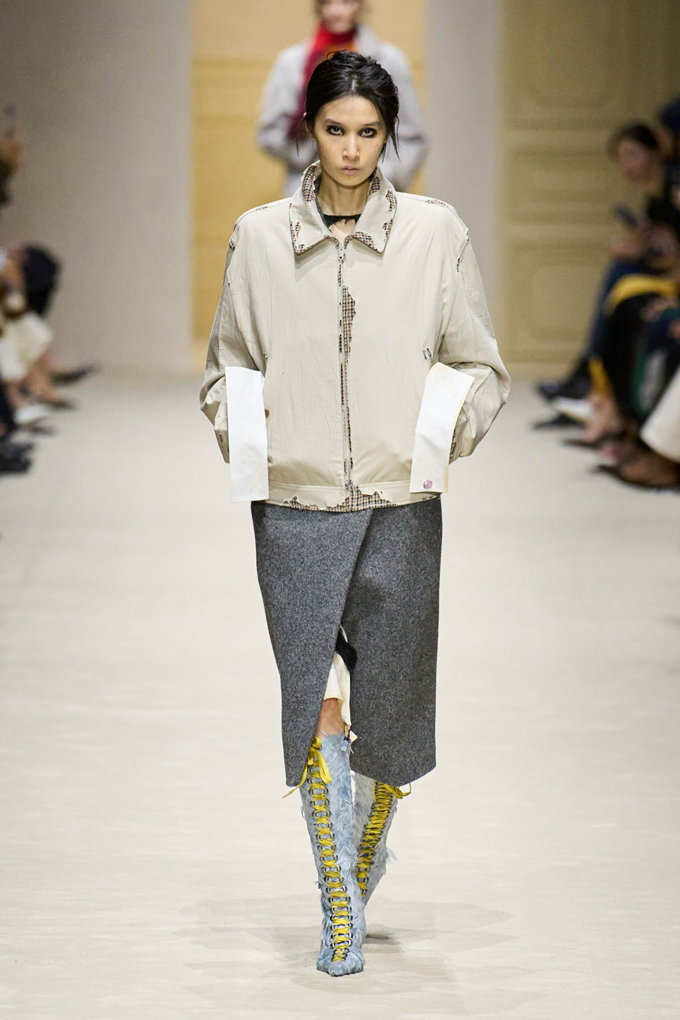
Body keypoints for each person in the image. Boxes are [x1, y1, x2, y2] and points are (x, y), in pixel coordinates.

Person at [202, 51, 509, 977]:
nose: (350, 149)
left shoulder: (434, 232)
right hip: (295, 508)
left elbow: (481, 366)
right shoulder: (259, 237)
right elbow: (225, 368)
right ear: (310, 129)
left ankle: (363, 848)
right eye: (335, 129)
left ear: (388, 136)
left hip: (399, 506)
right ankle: (338, 901)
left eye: (368, 132)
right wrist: (257, 446)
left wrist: (433, 444)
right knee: (314, 702)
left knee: (391, 713)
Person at [539, 123, 680, 409]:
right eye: (620, 158)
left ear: (655, 152)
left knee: (622, 283)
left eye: (632, 154)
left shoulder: (674, 187)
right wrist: (638, 248)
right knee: (621, 279)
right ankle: (596, 380)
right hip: (668, 273)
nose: (626, 165)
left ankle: (591, 375)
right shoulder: (655, 198)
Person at [257, 0, 427, 196]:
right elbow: (270, 134)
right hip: (309, 190)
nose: (337, 10)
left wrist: (385, 174)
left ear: (360, 4)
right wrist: (320, 152)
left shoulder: (390, 60)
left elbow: (411, 134)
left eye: (346, 1)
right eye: (328, 2)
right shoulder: (292, 63)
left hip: (375, 190)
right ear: (318, 6)